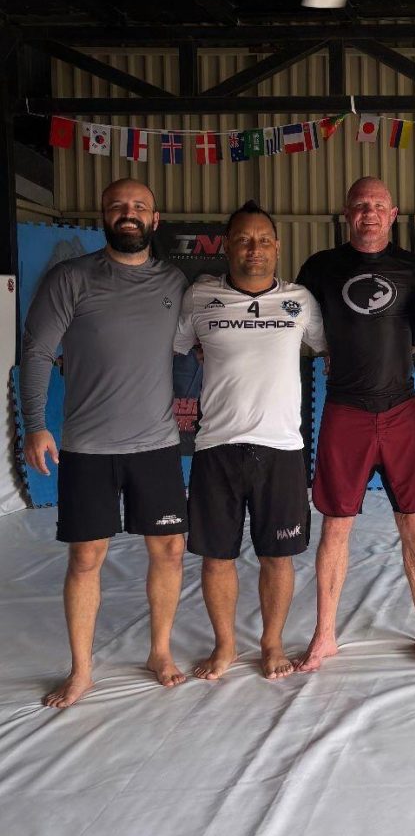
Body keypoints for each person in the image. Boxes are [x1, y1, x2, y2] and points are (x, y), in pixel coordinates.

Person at [21, 178, 188, 708]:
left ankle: (159, 651)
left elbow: (200, 344)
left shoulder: (174, 281)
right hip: (88, 448)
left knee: (170, 550)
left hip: (156, 446)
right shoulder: (71, 278)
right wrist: (35, 424)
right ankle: (82, 670)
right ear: (103, 216)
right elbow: (37, 352)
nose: (128, 213)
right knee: (86, 558)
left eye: (139, 206)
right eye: (118, 206)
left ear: (155, 220)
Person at [174, 201, 327, 681]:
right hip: (215, 446)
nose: (254, 248)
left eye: (263, 240)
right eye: (243, 239)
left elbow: (332, 350)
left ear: (277, 246)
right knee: (216, 555)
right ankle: (225, 646)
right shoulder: (200, 297)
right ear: (227, 246)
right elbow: (176, 350)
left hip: (281, 448)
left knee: (276, 557)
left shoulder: (300, 300)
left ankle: (271, 643)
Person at [293, 177, 415, 671]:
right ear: (346, 212)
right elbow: (297, 323)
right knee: (336, 524)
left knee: (413, 522)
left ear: (393, 214)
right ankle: (324, 636)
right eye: (360, 205)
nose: (369, 213)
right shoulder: (320, 267)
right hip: (345, 410)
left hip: (400, 409)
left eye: (378, 205)